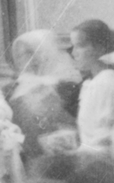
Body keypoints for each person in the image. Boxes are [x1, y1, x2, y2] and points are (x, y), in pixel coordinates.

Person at [8, 29, 79, 158]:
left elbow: (76, 126)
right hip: (26, 154)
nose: (24, 60)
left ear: (45, 52)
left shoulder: (67, 86)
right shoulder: (14, 88)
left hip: (64, 153)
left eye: (30, 53)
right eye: (19, 55)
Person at [70, 19, 114, 151]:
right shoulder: (93, 83)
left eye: (80, 46)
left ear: (99, 48)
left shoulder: (106, 83)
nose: (73, 53)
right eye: (73, 46)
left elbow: (102, 139)